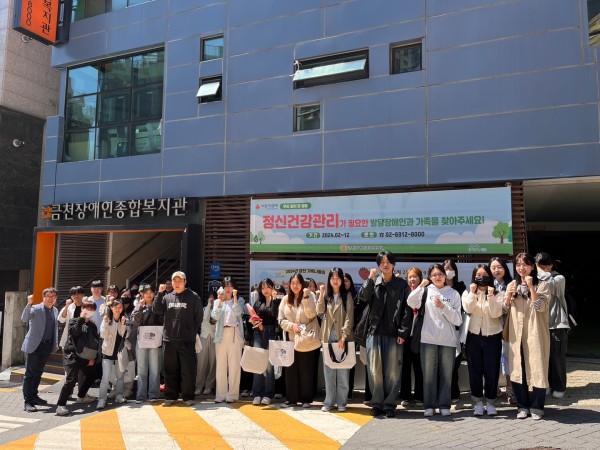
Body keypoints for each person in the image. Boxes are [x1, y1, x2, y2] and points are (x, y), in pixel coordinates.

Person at [358, 251, 412, 418]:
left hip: (394, 334)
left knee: (393, 371)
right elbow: (363, 297)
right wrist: (370, 279)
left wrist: (403, 331)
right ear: (378, 265)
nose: (385, 264)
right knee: (375, 370)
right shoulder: (374, 283)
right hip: (374, 332)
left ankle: (389, 404)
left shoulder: (402, 285)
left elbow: (407, 310)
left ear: (394, 264)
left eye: (389, 261)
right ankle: (377, 403)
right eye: (382, 262)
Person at [408, 264, 462, 417]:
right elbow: (411, 302)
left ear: (445, 275)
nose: (437, 277)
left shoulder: (453, 294)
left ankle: (445, 405)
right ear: (430, 277)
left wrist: (443, 307)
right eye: (434, 275)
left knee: (446, 374)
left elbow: (458, 320)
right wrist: (421, 286)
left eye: (440, 274)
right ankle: (429, 405)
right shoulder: (426, 291)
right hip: (428, 339)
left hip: (448, 340)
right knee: (429, 374)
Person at [504, 253, 551, 420]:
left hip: (535, 333)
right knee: (518, 369)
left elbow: (541, 307)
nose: (521, 268)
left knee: (537, 368)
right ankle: (522, 406)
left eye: (525, 264)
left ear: (532, 267)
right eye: (518, 265)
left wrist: (531, 288)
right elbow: (503, 309)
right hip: (517, 334)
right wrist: (508, 295)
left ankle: (537, 407)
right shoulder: (512, 284)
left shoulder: (542, 285)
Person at [154, 271, 203, 406]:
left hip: (187, 340)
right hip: (169, 340)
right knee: (169, 370)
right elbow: (156, 310)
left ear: (185, 282)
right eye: (174, 281)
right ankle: (170, 396)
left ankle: (188, 397)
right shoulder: (167, 297)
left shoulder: (193, 297)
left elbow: (199, 317)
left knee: (188, 370)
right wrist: (159, 293)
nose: (176, 283)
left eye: (179, 281)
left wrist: (191, 331)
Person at [462, 264, 503, 416]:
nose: (482, 278)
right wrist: (473, 293)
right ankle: (478, 402)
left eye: (485, 275)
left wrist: (491, 296)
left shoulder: (498, 293)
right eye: (478, 275)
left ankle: (491, 402)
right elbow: (467, 308)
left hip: (492, 337)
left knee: (491, 371)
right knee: (475, 371)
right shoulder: (468, 292)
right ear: (474, 277)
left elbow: (495, 313)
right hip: (473, 337)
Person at [278, 272, 319, 408]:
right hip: (290, 338)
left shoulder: (310, 295)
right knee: (290, 370)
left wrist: (306, 297)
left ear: (303, 284)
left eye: (298, 283)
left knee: (306, 369)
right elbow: (281, 319)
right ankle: (291, 398)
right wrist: (292, 326)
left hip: (306, 338)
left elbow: (312, 314)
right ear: (289, 285)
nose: (295, 286)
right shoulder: (285, 299)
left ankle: (306, 399)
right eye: (293, 283)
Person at [318, 268, 354, 412]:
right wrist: (320, 294)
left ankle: (341, 402)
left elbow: (349, 317)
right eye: (332, 278)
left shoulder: (347, 296)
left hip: (342, 337)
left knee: (343, 371)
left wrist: (344, 336)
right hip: (328, 336)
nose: (335, 280)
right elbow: (319, 312)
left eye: (338, 278)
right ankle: (329, 401)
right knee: (329, 370)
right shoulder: (326, 296)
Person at [535, 252, 569, 399]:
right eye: (539, 266)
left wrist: (539, 272)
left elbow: (550, 287)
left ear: (550, 266)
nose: (541, 269)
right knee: (543, 357)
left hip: (557, 323)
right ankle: (546, 384)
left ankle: (559, 386)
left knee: (557, 356)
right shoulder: (533, 279)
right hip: (540, 324)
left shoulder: (558, 278)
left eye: (544, 266)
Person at [55, 300, 100, 416]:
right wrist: (81, 319)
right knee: (71, 379)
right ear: (82, 309)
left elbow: (94, 343)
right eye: (87, 308)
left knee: (92, 376)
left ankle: (81, 396)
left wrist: (92, 357)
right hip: (72, 354)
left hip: (85, 356)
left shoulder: (93, 325)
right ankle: (60, 406)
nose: (89, 311)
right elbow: (74, 333)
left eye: (91, 309)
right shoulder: (74, 321)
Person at [21, 288, 59, 412]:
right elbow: (24, 318)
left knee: (38, 372)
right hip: (34, 345)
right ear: (43, 297)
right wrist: (29, 303)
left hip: (46, 346)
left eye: (53, 296)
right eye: (48, 296)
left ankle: (34, 396)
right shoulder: (35, 308)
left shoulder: (55, 310)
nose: (51, 298)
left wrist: (55, 343)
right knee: (29, 374)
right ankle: (28, 402)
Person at [211, 276, 245, 403]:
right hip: (220, 334)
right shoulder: (217, 302)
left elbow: (239, 313)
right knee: (221, 365)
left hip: (234, 333)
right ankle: (220, 395)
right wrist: (220, 301)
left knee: (234, 365)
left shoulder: (239, 300)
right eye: (226, 286)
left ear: (234, 288)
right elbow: (214, 316)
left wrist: (235, 298)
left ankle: (232, 395)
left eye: (230, 286)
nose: (228, 288)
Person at [250, 278, 281, 406]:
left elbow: (275, 316)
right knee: (258, 364)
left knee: (269, 366)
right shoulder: (258, 302)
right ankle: (257, 393)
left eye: (268, 287)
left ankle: (268, 394)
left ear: (273, 288)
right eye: (263, 288)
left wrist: (273, 300)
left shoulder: (277, 302)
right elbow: (253, 317)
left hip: (271, 333)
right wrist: (254, 322)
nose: (265, 290)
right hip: (258, 333)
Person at [131, 284, 163, 403]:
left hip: (155, 340)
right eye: (146, 292)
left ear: (154, 293)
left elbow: (162, 320)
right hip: (142, 341)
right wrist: (140, 307)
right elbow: (135, 321)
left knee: (155, 369)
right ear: (141, 294)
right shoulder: (138, 306)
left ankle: (153, 394)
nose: (148, 294)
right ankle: (140, 395)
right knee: (141, 369)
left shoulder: (158, 306)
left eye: (150, 292)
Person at [490, 256, 515, 405]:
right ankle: (495, 389)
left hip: (508, 328)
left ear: (505, 268)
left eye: (499, 267)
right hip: (491, 327)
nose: (496, 270)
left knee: (507, 358)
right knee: (492, 359)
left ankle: (510, 391)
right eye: (493, 267)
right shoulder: (486, 285)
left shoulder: (512, 285)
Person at [399, 267, 424, 407]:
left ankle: (420, 396)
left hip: (420, 335)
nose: (412, 279)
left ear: (420, 278)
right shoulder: (404, 292)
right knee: (405, 367)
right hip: (406, 335)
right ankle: (405, 396)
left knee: (419, 367)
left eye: (415, 276)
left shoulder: (424, 291)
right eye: (410, 277)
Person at [443, 259, 466, 404]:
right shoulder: (438, 288)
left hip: (457, 330)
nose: (448, 271)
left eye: (451, 268)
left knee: (454, 364)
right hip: (441, 331)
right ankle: (443, 393)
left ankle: (454, 393)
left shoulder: (461, 287)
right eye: (445, 268)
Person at [97, 299, 128, 409]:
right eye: (116, 307)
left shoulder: (123, 319)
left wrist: (123, 324)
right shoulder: (106, 319)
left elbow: (122, 334)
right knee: (105, 376)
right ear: (111, 308)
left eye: (120, 307)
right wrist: (105, 323)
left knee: (120, 376)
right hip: (107, 351)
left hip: (119, 351)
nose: (118, 309)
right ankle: (102, 399)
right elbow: (103, 335)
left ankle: (119, 395)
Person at [196, 292, 217, 396]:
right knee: (201, 363)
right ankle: (199, 385)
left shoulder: (218, 310)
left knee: (212, 362)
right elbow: (204, 318)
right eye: (210, 297)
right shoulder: (204, 309)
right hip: (203, 337)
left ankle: (209, 386)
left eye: (213, 298)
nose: (212, 299)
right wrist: (209, 305)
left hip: (214, 338)